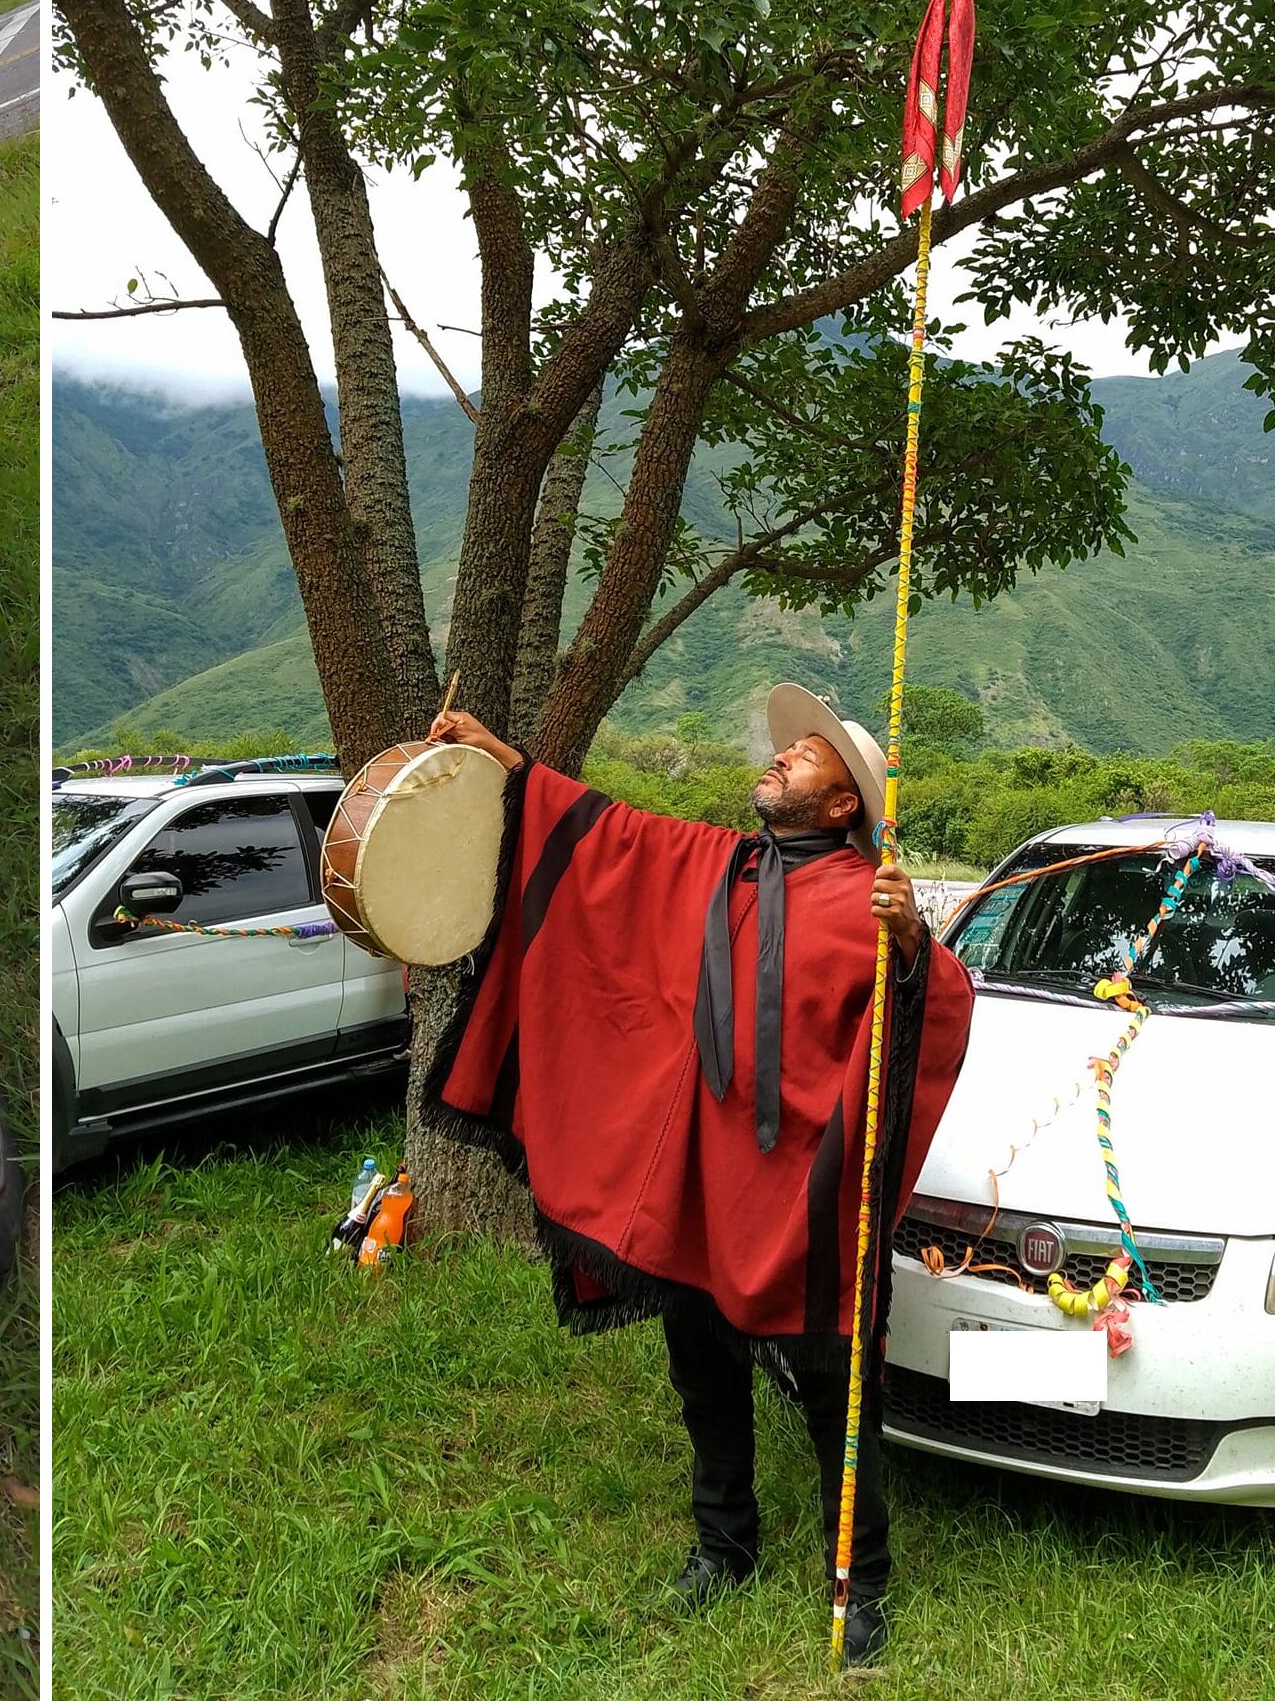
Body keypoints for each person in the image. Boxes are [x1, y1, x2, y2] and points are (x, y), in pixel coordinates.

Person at [413, 684, 974, 1667]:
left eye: (805, 757)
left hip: (800, 1194)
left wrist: (914, 948)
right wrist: (497, 755)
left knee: (831, 1390)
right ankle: (724, 1547)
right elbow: (605, 834)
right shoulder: (719, 867)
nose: (780, 759)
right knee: (698, 1366)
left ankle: (862, 1580)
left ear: (845, 805)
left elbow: (942, 1012)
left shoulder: (868, 903)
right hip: (694, 1180)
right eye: (786, 749)